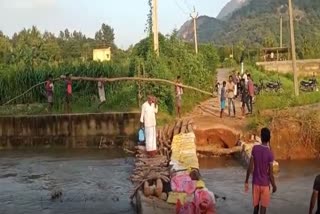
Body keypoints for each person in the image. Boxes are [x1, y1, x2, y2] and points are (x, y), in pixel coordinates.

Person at [245, 127, 277, 214]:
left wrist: (246, 181)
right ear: (269, 139)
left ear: (261, 137)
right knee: (263, 210)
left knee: (255, 208)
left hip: (255, 183)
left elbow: (250, 167)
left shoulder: (255, 149)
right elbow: (270, 174)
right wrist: (274, 186)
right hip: (265, 184)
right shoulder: (270, 154)